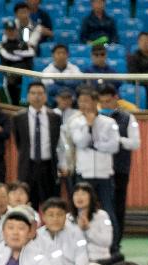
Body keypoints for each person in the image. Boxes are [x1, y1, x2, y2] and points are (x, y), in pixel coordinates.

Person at [68, 87, 119, 223]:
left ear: (96, 102)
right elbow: (81, 142)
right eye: (80, 101)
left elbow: (114, 146)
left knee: (108, 209)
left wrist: (96, 145)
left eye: (87, 101)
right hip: (84, 173)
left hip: (104, 173)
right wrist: (89, 126)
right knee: (82, 208)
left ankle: (112, 244)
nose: (83, 105)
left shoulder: (109, 123)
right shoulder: (75, 123)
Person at [98, 85, 139, 252]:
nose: (106, 104)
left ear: (116, 98)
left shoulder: (128, 118)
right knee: (102, 207)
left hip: (120, 168)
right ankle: (102, 242)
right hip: (100, 169)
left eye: (109, 100)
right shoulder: (96, 117)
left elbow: (135, 143)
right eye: (103, 101)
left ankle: (117, 241)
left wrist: (117, 140)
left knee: (118, 206)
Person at [13, 82, 61, 209]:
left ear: (45, 96)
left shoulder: (55, 117)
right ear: (28, 96)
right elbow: (19, 143)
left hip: (48, 166)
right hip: (28, 166)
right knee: (27, 205)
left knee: (50, 204)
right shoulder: (19, 117)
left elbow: (56, 142)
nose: (37, 97)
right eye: (33, 93)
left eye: (40, 93)